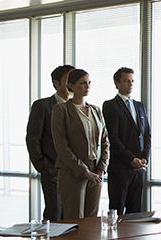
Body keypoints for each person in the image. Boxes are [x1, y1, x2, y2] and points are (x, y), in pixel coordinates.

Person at [52, 69, 110, 219]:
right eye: (82, 83)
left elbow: (105, 143)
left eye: (89, 83)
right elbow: (61, 146)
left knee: (91, 221)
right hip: (73, 171)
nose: (87, 86)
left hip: (96, 171)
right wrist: (84, 171)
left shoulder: (96, 110)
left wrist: (100, 170)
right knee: (74, 219)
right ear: (71, 85)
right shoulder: (61, 110)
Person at [26, 64, 74, 221]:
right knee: (55, 212)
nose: (71, 83)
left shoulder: (79, 107)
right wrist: (42, 166)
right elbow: (33, 138)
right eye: (67, 79)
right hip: (52, 169)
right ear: (56, 82)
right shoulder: (42, 106)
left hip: (75, 171)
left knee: (73, 215)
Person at [102, 67, 150, 215]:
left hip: (139, 169)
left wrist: (144, 159)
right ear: (117, 83)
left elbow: (147, 134)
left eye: (132, 81)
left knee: (135, 214)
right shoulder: (110, 105)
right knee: (117, 211)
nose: (130, 84)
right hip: (120, 169)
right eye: (126, 81)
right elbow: (113, 138)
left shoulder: (139, 106)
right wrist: (131, 159)